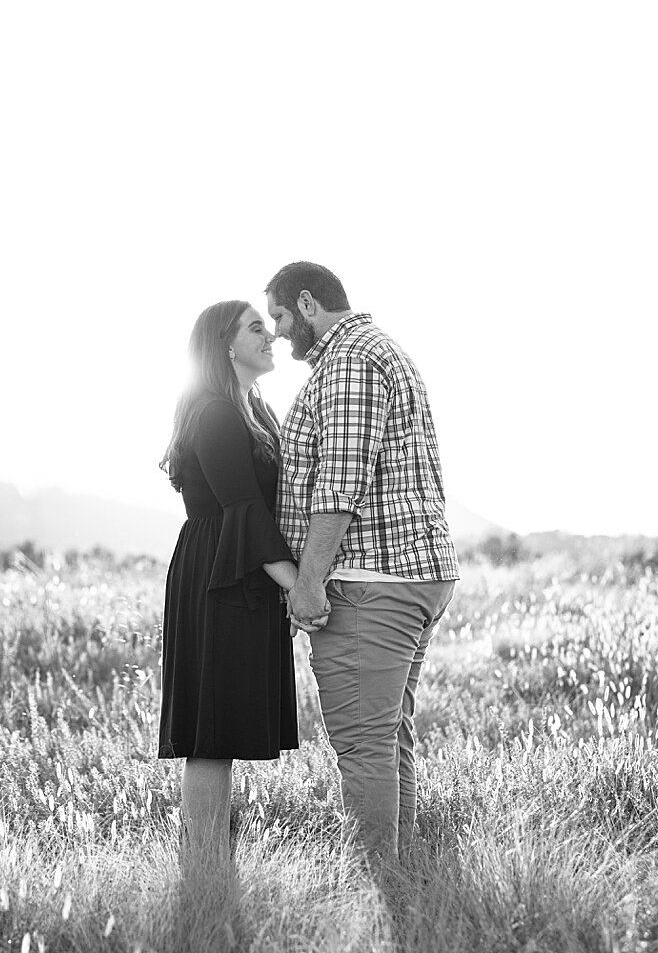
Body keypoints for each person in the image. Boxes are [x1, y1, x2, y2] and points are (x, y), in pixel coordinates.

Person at [266, 261, 460, 863]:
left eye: (277, 316)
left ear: (307, 303)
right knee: (386, 738)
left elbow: (340, 484)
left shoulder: (350, 362)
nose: (275, 331)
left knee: (362, 745)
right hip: (409, 574)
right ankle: (401, 879)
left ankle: (380, 884)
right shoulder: (374, 352)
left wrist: (310, 583)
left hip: (372, 580)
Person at [157, 299, 312, 880]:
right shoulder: (217, 412)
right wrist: (299, 586)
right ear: (225, 344)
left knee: (223, 726)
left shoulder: (256, 410)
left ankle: (213, 863)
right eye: (255, 327)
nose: (270, 334)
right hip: (218, 572)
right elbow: (242, 507)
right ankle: (204, 868)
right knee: (211, 730)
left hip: (244, 567)